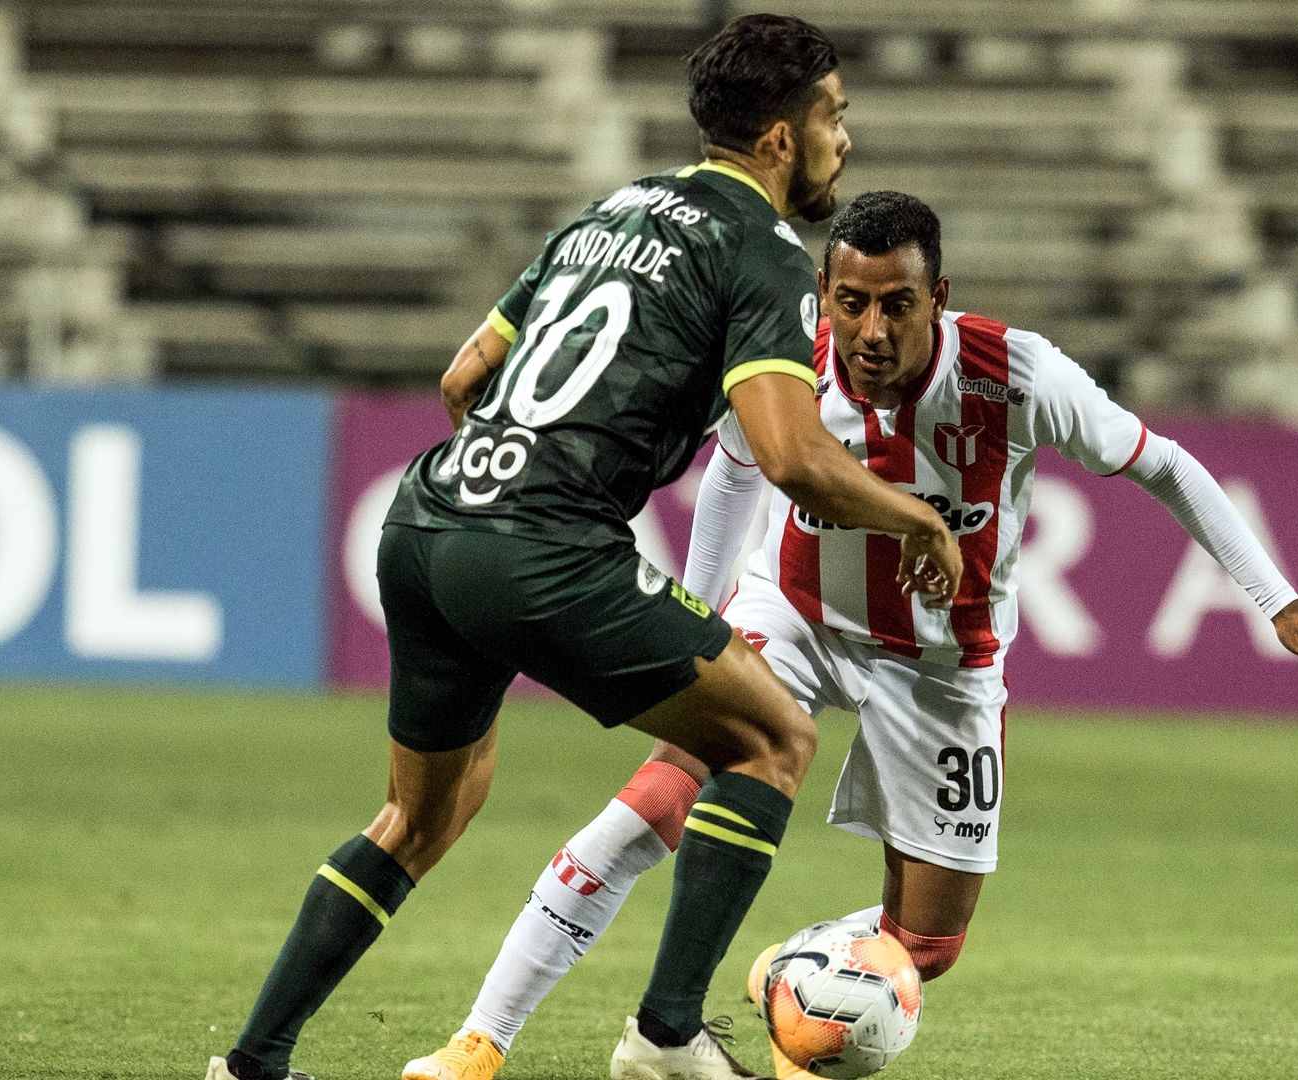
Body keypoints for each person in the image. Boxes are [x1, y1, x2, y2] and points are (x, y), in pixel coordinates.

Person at [420, 190, 1298, 1080]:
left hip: (944, 663)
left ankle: (788, 979)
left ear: (940, 299)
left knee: (928, 948)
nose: (870, 331)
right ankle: (483, 1037)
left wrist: (1275, 596)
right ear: (827, 295)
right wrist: (702, 620)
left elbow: (1163, 462)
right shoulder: (789, 355)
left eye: (896, 305)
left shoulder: (1019, 373)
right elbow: (732, 470)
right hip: (794, 614)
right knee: (663, 792)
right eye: (851, 302)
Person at [205, 17, 966, 1080]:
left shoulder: (611, 211)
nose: (847, 136)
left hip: (428, 523)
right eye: (834, 115)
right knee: (773, 739)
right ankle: (664, 1035)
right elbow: (791, 459)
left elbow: (466, 376)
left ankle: (250, 1063)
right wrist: (916, 518)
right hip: (544, 545)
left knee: (416, 821)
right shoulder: (764, 253)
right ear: (782, 137)